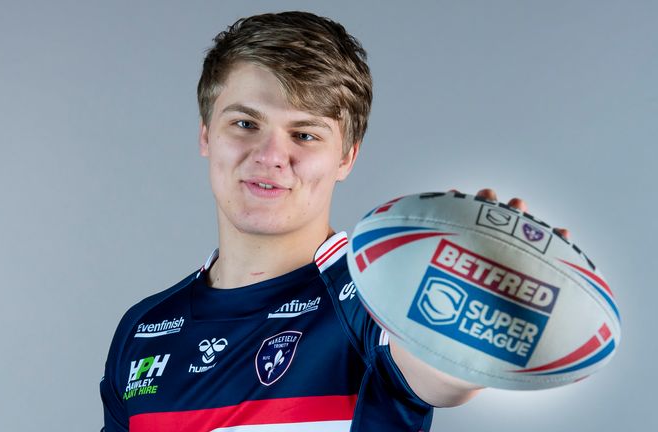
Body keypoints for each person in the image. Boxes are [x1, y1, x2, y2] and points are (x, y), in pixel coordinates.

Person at [100, 11, 563, 431]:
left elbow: (438, 373)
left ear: (346, 157)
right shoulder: (143, 330)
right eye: (245, 124)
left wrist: (482, 309)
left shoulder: (377, 296)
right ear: (206, 134)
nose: (270, 156)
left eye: (304, 134)